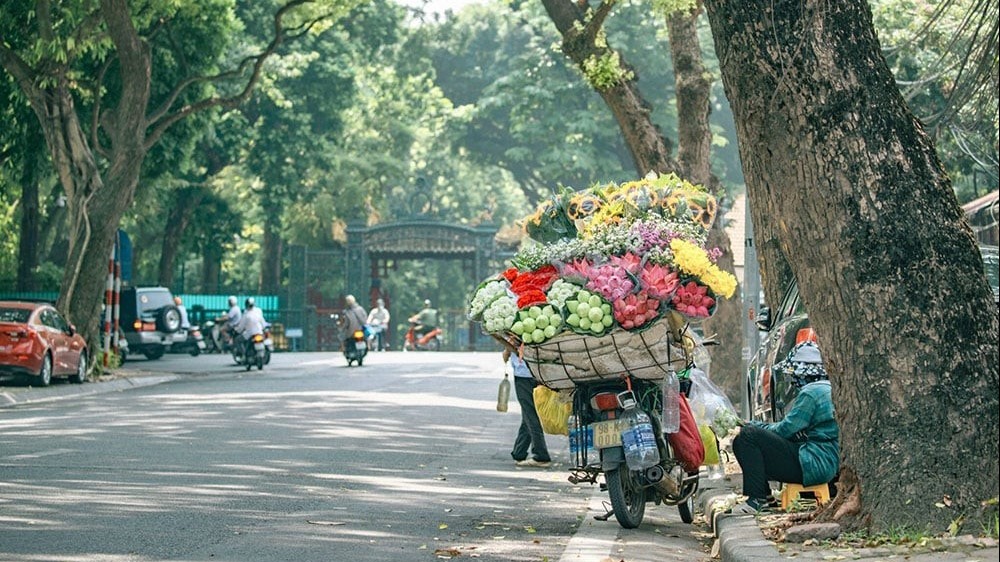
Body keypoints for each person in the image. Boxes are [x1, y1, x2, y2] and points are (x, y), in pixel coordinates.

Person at [730, 341, 839, 513]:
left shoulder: (811, 393)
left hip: (813, 464)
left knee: (749, 435)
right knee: (740, 441)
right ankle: (765, 497)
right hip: (827, 464)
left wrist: (754, 425)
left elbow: (786, 430)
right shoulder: (831, 388)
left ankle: (756, 501)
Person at [504, 347, 551, 468]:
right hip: (541, 372)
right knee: (528, 413)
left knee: (530, 414)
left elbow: (507, 351)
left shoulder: (513, 332)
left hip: (524, 374)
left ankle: (541, 455)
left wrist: (506, 351)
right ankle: (519, 452)